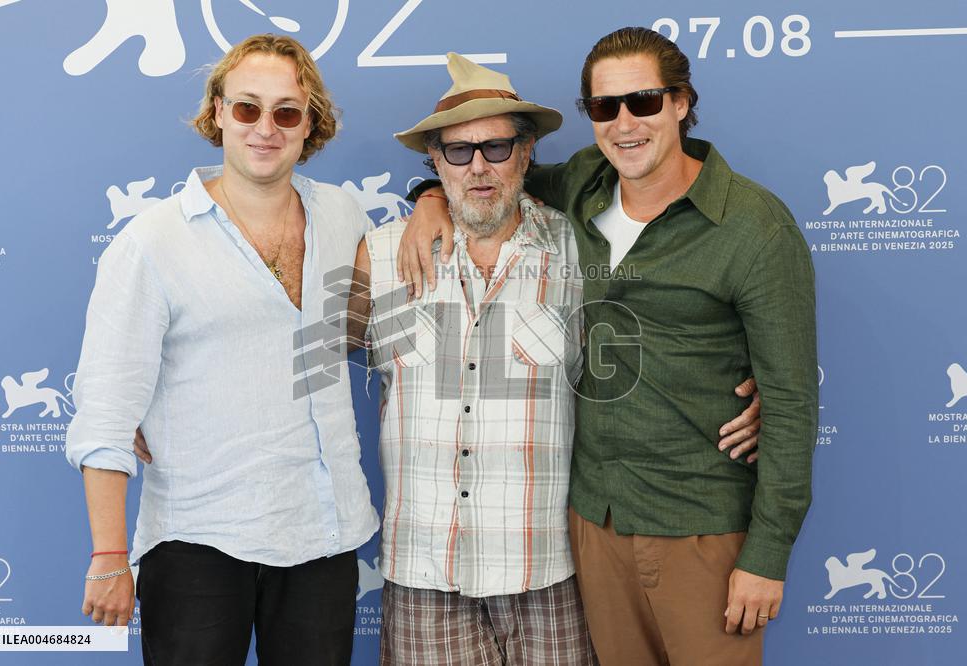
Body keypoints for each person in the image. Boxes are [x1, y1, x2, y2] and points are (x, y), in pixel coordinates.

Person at [399, 27, 818, 666]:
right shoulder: (584, 185)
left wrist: (766, 557)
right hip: (594, 525)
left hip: (699, 525)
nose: (624, 123)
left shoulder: (755, 228)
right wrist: (428, 198)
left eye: (643, 102)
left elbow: (791, 406)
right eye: (604, 107)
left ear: (681, 103)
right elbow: (489, 173)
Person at [65, 34, 377, 666]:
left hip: (324, 533)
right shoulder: (150, 243)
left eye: (287, 111)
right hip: (197, 541)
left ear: (310, 122)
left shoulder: (345, 216)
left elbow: (358, 333)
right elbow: (104, 412)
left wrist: (430, 198)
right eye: (247, 108)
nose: (266, 128)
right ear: (217, 113)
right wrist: (106, 556)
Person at [346, 53, 597, 665]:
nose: (479, 167)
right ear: (433, 160)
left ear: (528, 151)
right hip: (424, 573)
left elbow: (665, 347)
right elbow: (285, 362)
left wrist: (740, 390)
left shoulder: (581, 249)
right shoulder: (376, 257)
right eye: (458, 152)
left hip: (548, 571)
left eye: (497, 147)